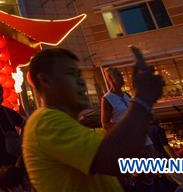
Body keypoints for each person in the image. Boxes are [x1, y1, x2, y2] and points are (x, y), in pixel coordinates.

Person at [22, 46, 164, 192]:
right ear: (45, 81)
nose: (81, 81)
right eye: (71, 74)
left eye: (80, 75)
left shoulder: (68, 126)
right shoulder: (45, 122)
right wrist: (143, 98)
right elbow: (114, 158)